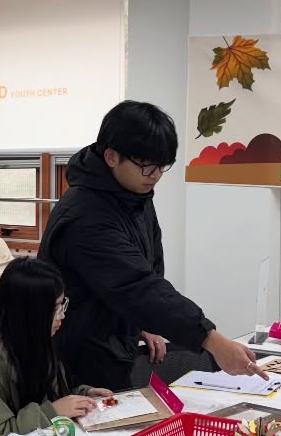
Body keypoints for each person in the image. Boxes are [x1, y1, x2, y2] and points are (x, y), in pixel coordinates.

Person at [40, 100, 263, 390]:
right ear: (111, 157)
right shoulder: (85, 216)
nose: (156, 175)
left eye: (162, 166)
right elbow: (136, 285)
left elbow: (150, 266)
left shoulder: (134, 194)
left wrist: (141, 322)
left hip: (115, 344)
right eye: (147, 166)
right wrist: (210, 339)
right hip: (77, 358)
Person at [0, 256, 114, 436]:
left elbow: (53, 396)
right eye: (56, 308)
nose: (62, 315)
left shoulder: (36, 348)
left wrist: (83, 396)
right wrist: (51, 412)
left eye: (63, 304)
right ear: (30, 314)